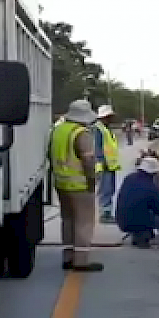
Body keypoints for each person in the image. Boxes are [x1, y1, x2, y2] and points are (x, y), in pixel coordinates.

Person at [48, 99, 105, 272]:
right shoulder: (81, 133)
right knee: (84, 222)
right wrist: (92, 181)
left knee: (68, 220)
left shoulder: (58, 130)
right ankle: (81, 261)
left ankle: (68, 256)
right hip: (79, 184)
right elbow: (88, 160)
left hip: (61, 183)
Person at [116, 149, 159, 248]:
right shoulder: (151, 187)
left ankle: (138, 234)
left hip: (122, 221)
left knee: (141, 214)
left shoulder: (129, 178)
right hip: (137, 221)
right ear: (153, 173)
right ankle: (143, 236)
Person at [92, 104, 121, 223]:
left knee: (110, 189)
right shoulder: (98, 129)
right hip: (104, 165)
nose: (111, 118)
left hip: (110, 165)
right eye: (109, 116)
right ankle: (104, 214)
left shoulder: (106, 128)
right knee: (105, 189)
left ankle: (107, 212)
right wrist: (101, 162)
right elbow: (97, 147)